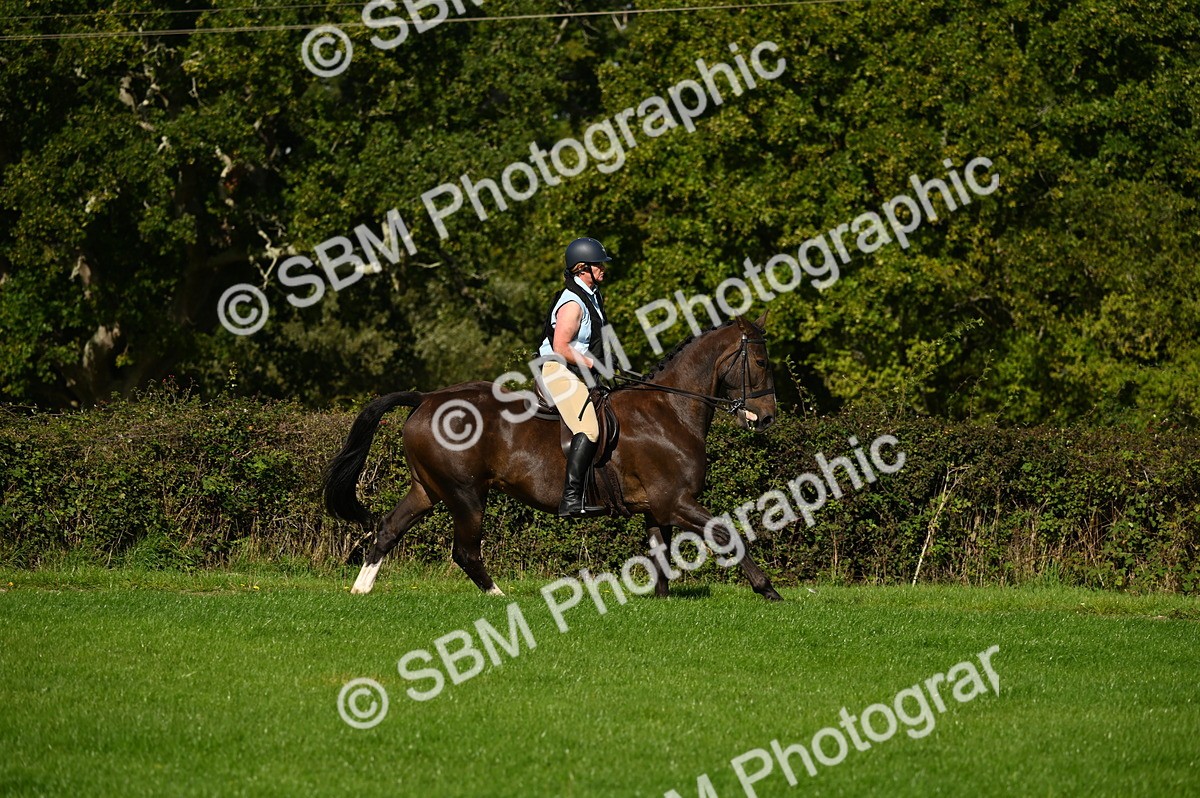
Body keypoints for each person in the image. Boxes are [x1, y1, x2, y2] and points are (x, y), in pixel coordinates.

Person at [537, 237, 613, 517]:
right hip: (560, 369)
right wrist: (594, 363)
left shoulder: (593, 295)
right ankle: (570, 499)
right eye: (598, 265)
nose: (603, 269)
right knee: (590, 430)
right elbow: (561, 347)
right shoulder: (573, 302)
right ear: (582, 268)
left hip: (579, 371)